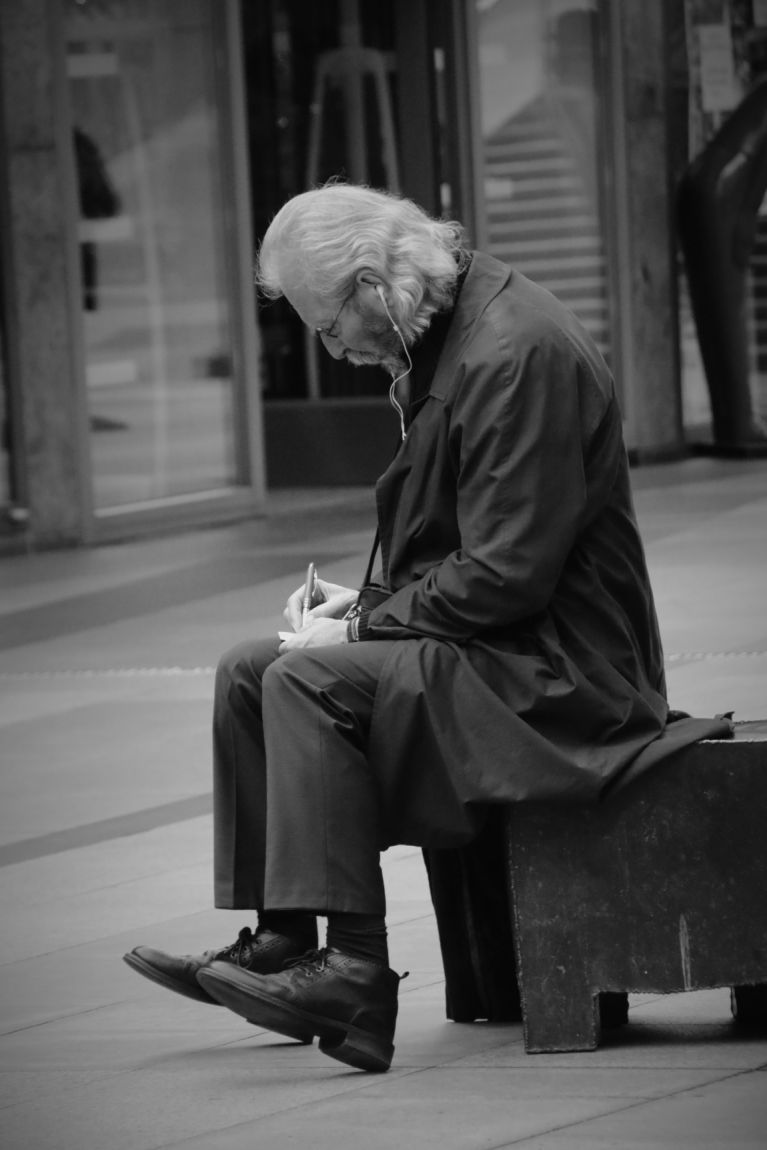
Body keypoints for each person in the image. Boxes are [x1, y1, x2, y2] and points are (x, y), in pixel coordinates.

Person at [123, 182, 725, 1073]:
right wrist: (359, 605)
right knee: (251, 669)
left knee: (309, 681)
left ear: (373, 285)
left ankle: (354, 970)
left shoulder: (511, 353)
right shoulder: (443, 335)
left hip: (564, 672)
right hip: (498, 642)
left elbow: (508, 573)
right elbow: (466, 544)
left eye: (328, 325)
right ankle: (286, 936)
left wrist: (366, 624)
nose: (331, 349)